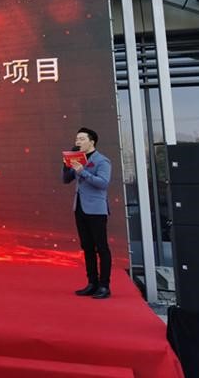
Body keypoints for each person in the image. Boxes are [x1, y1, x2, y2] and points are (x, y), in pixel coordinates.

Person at [62, 127, 113, 299]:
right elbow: (66, 180)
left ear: (92, 141)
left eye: (82, 139)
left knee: (101, 247)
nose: (78, 142)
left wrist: (82, 171)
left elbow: (103, 183)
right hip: (80, 208)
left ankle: (104, 285)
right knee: (87, 247)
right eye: (77, 139)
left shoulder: (102, 161)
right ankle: (92, 283)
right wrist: (66, 165)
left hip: (96, 210)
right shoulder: (78, 159)